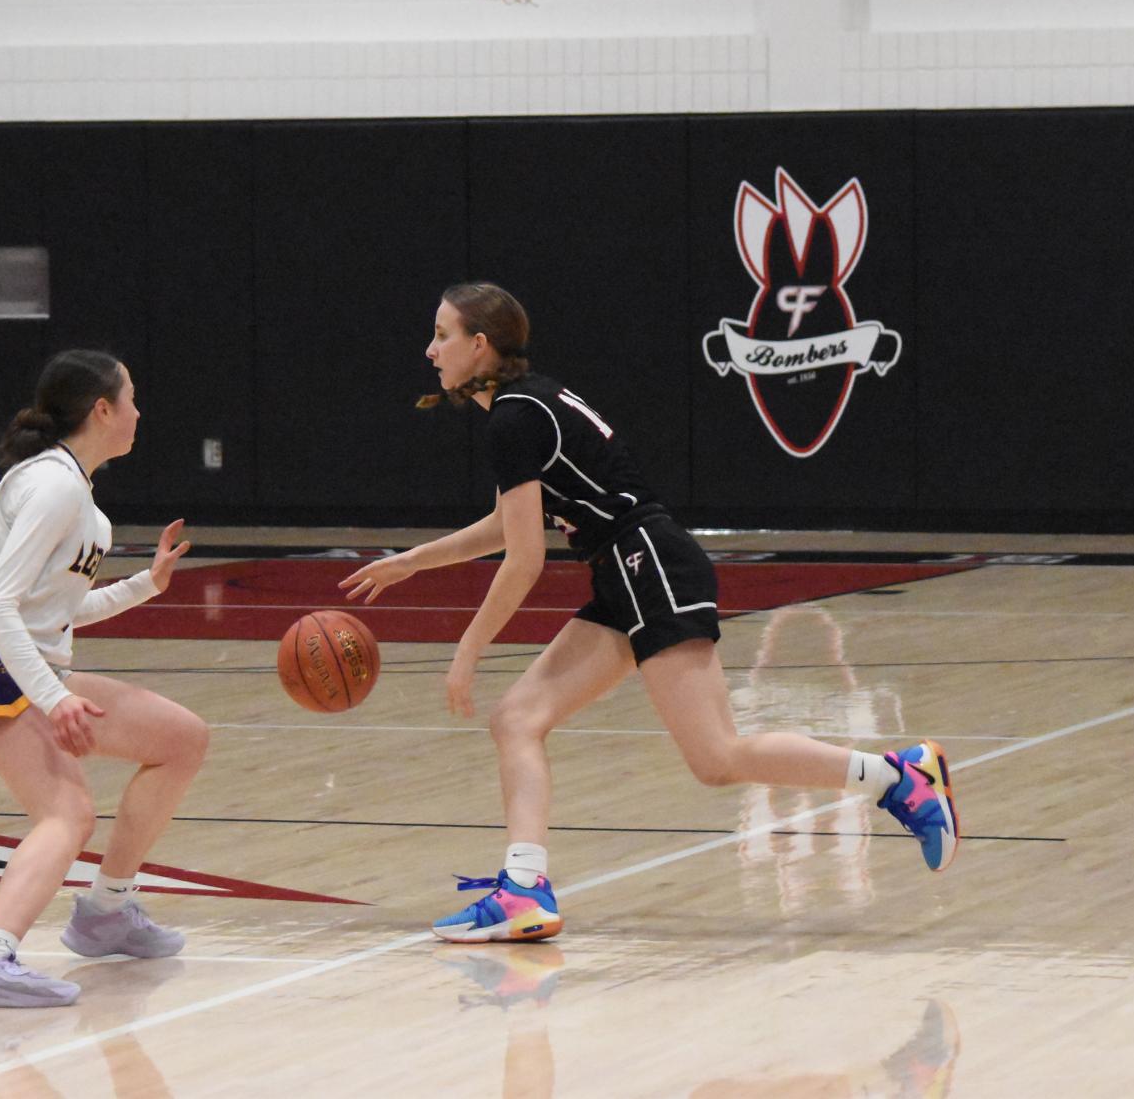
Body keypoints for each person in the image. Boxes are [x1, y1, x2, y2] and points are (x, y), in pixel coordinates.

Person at [343, 283, 959, 943]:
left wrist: (466, 650)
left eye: (441, 333)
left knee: (717, 756)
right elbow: (506, 522)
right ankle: (523, 890)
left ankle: (899, 776)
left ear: (478, 344)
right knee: (518, 718)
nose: (430, 348)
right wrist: (412, 561)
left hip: (646, 563)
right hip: (630, 567)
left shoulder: (514, 418)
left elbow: (523, 558)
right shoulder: (527, 403)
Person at [0, 349, 207, 1008]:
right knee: (66, 811)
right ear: (102, 410)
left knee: (181, 738)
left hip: (22, 654)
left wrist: (147, 583)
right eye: (131, 397)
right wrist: (53, 699)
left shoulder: (78, 495)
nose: (139, 411)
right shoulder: (53, 486)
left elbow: (51, 608)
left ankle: (107, 909)